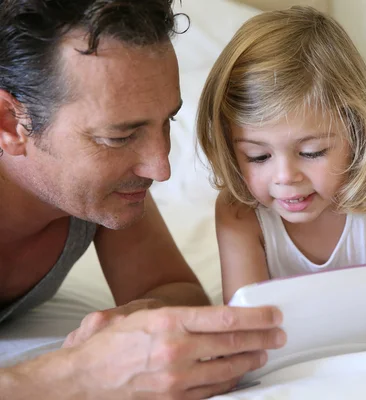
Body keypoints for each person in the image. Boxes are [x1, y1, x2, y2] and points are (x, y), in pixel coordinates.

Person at [0, 1, 285, 398]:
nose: (159, 167)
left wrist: (139, 320)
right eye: (118, 137)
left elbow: (174, 288)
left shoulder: (101, 194)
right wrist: (81, 374)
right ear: (10, 123)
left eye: (167, 122)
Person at [197, 6, 366, 309]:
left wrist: (330, 309)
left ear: (356, 131)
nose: (285, 176)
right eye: (258, 156)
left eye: (311, 152)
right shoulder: (238, 211)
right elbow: (246, 312)